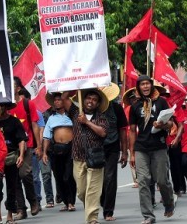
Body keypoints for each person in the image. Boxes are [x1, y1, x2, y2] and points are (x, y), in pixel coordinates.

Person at [129, 75, 175, 224]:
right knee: (143, 181)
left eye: (147, 84)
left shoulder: (161, 102)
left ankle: (169, 203)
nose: (145, 87)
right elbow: (131, 130)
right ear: (138, 87)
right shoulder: (135, 106)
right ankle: (148, 216)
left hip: (159, 146)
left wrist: (162, 125)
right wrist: (131, 153)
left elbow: (171, 124)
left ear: (152, 86)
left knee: (162, 180)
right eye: (142, 84)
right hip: (141, 148)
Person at [63, 89, 109, 224]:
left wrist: (87, 122)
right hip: (78, 157)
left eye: (94, 100)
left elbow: (103, 133)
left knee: (92, 190)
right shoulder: (76, 112)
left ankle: (92, 219)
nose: (91, 101)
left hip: (95, 158)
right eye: (88, 98)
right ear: (83, 99)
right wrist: (76, 84)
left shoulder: (101, 117)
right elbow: (65, 98)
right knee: (82, 192)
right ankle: (91, 205)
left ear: (98, 103)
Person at [10, 77, 41, 220]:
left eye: (12, 85)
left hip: (27, 146)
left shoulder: (28, 104)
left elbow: (35, 125)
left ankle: (33, 200)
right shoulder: (3, 108)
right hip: (10, 149)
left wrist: (39, 145)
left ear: (18, 88)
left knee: (25, 174)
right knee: (14, 179)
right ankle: (21, 210)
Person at [0, 103, 28, 224]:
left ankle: (9, 215)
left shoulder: (14, 121)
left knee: (11, 187)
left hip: (11, 156)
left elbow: (21, 139)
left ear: (6, 107)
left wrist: (21, 155)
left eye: (2, 106)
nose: (0, 108)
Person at [42, 92, 77, 212]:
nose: (57, 102)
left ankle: (72, 201)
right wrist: (45, 153)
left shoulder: (71, 115)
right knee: (59, 176)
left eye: (59, 100)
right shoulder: (51, 118)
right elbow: (46, 136)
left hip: (70, 148)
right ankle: (66, 202)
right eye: (55, 100)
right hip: (56, 149)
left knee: (68, 176)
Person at [99, 83, 129, 221]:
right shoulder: (92, 108)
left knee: (110, 178)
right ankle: (102, 201)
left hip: (112, 147)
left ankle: (108, 211)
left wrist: (124, 152)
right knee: (97, 181)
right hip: (95, 149)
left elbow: (123, 131)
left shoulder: (116, 108)